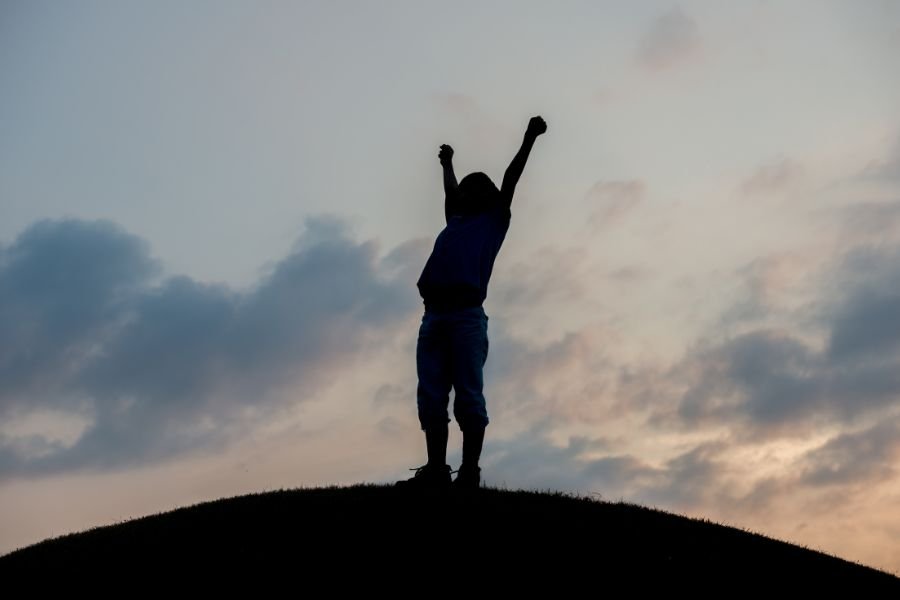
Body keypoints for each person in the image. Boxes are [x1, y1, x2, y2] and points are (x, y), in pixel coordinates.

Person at [397, 115, 547, 490]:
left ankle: (469, 471)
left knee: (468, 394)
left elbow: (511, 178)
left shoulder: (495, 219)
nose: (466, 190)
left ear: (490, 193)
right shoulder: (456, 220)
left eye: (475, 185)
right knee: (431, 394)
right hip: (433, 316)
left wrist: (529, 137)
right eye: (466, 186)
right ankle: (436, 470)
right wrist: (448, 164)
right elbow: (450, 192)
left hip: (465, 315)